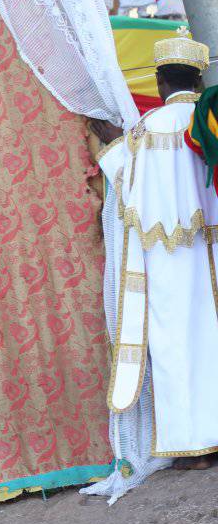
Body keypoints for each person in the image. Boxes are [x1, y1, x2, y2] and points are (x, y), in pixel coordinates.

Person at [96, 33, 218, 469]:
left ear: (161, 81)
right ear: (199, 81)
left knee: (175, 346)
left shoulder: (148, 129)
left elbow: (127, 187)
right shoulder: (209, 117)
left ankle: (193, 447)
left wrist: (109, 142)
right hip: (212, 251)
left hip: (169, 256)